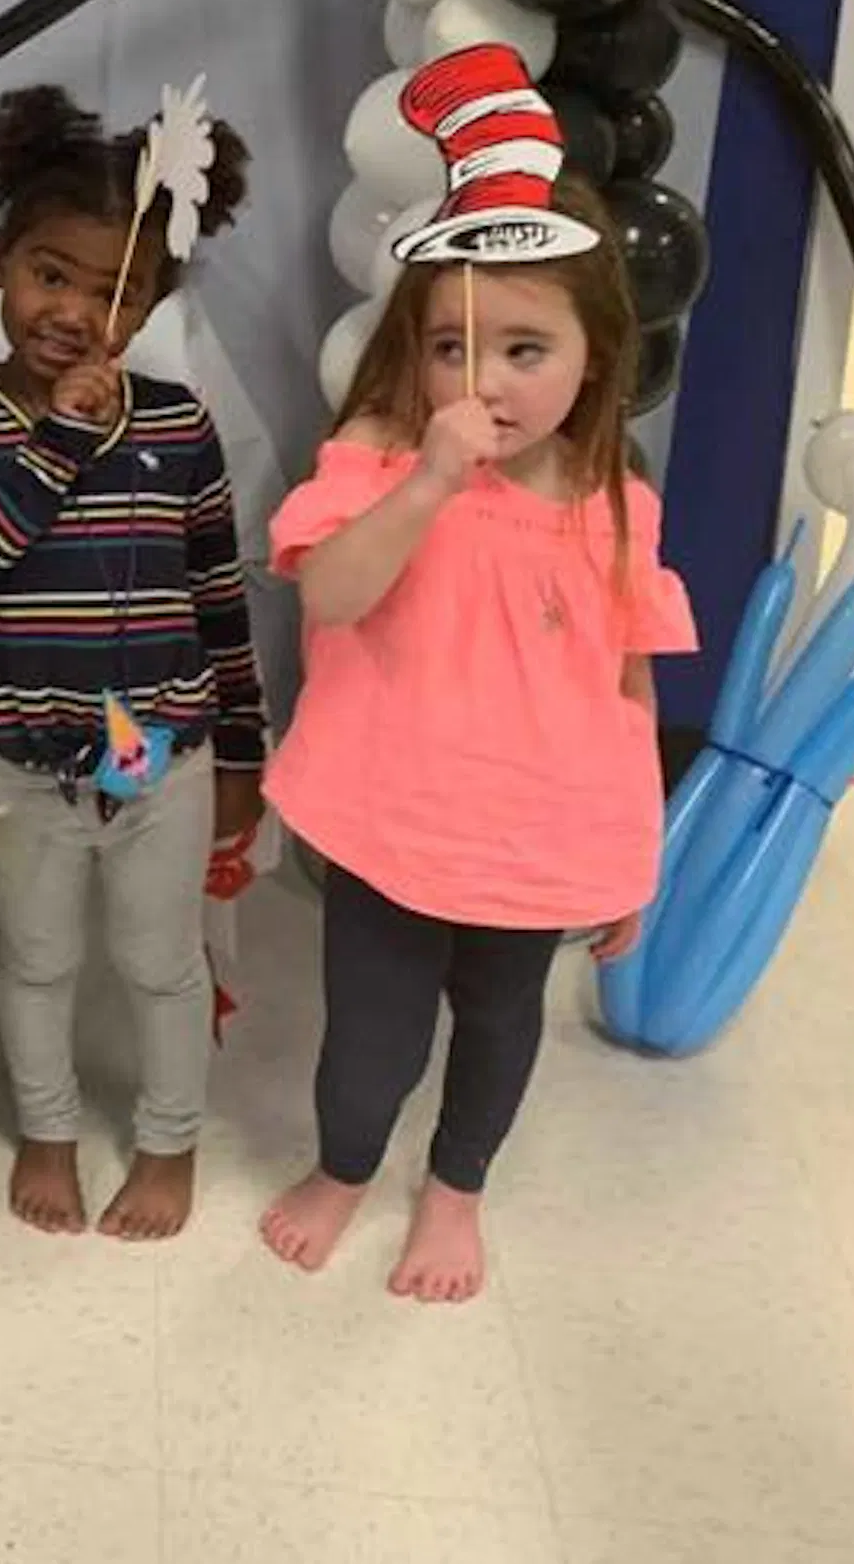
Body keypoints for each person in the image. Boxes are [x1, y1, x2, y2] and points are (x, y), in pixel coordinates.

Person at [257, 186, 692, 1301]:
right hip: (392, 824)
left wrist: (632, 851)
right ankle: (346, 1167)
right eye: (450, 346)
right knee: (371, 1038)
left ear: (596, 357)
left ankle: (457, 1187)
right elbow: (334, 594)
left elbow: (629, 682)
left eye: (523, 349)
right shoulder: (376, 456)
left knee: (500, 1025)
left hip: (539, 839)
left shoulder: (616, 503)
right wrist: (432, 482)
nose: (480, 382)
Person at [0, 84, 267, 1241]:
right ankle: (48, 1131)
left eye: (116, 291)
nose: (72, 312)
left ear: (151, 302)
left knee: (162, 964)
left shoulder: (178, 425)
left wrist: (243, 755)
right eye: (50, 274)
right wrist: (60, 433)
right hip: (20, 757)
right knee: (39, 959)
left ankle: (170, 1144)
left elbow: (219, 597)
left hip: (157, 751)